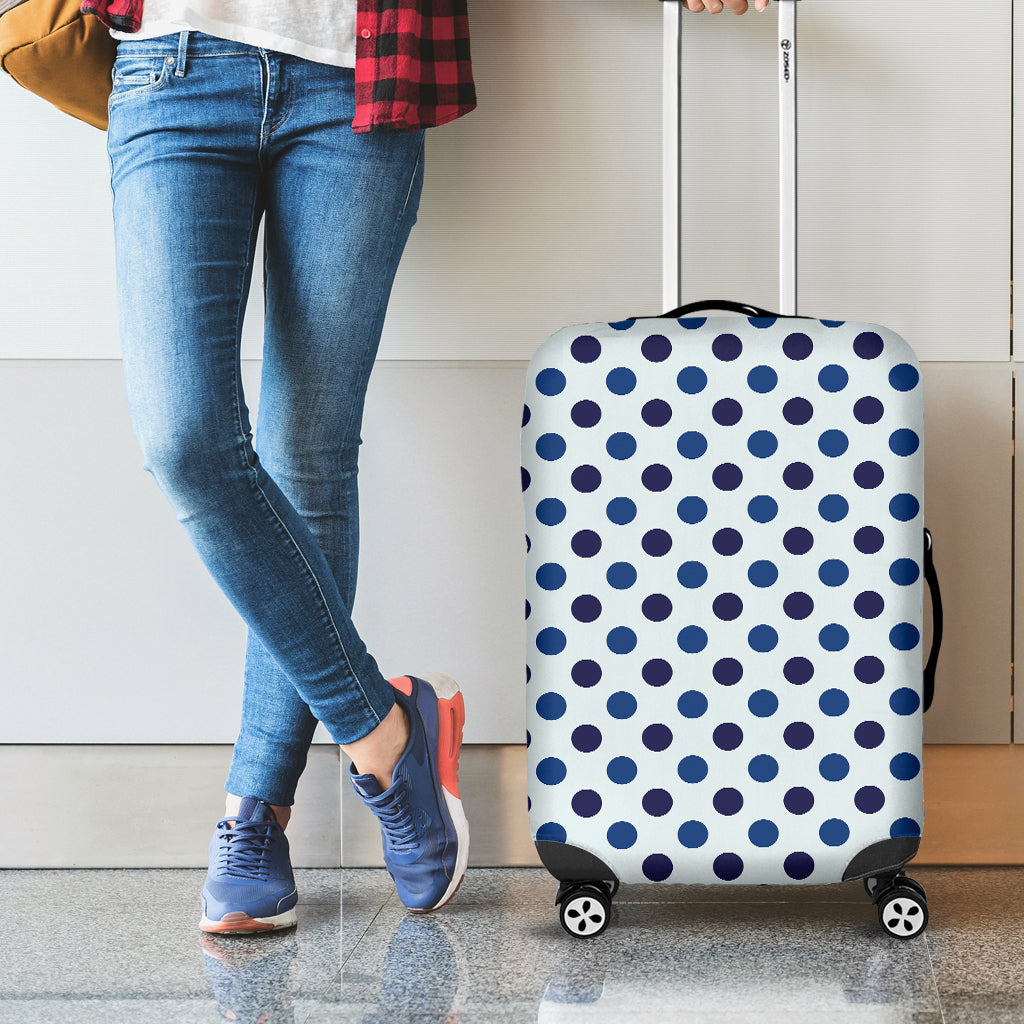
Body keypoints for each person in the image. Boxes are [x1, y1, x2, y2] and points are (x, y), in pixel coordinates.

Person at [85, 0, 476, 933]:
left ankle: (255, 814)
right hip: (173, 70)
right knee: (184, 441)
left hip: (359, 79)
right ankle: (386, 731)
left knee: (307, 456)